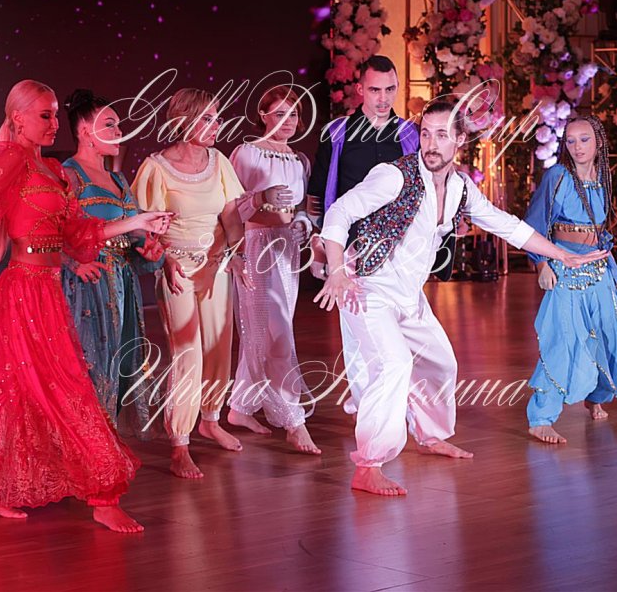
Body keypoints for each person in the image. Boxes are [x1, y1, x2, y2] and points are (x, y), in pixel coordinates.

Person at [314, 99, 608, 497]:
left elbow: (507, 225)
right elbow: (340, 211)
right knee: (394, 364)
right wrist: (335, 270)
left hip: (408, 295)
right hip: (367, 286)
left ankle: (430, 434)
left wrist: (562, 255)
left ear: (460, 140)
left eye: (441, 135)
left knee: (440, 363)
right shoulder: (393, 176)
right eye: (425, 134)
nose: (431, 144)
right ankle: (369, 464)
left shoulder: (459, 188)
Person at [0, 79, 171, 532]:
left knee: (26, 389)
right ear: (18, 118)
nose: (52, 124)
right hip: (21, 291)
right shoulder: (11, 160)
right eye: (44, 116)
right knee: (32, 389)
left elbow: (80, 234)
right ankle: (101, 496)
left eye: (53, 115)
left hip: (46, 289)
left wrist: (138, 221)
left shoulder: (52, 170)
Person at [131, 87, 292, 479]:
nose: (217, 125)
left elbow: (231, 215)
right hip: (178, 269)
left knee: (219, 346)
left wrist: (235, 255)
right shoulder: (156, 168)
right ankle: (180, 442)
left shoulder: (218, 161)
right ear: (183, 120)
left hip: (216, 265)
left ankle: (210, 419)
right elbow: (143, 227)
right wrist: (165, 259)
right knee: (188, 352)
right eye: (207, 118)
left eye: (217, 117)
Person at [60, 89, 167, 438]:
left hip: (121, 283)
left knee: (121, 362)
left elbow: (135, 237)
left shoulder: (119, 180)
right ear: (85, 132)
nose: (120, 131)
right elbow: (55, 233)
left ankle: (106, 443)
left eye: (119, 125)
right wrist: (74, 264)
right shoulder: (69, 175)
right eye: (110, 124)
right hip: (89, 286)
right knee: (91, 362)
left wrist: (149, 249)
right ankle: (87, 444)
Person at [523, 116, 617, 444]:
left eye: (584, 139)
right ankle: (541, 418)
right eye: (570, 141)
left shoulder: (603, 177)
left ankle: (596, 395)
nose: (577, 147)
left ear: (598, 141)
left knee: (611, 332)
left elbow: (598, 226)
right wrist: (541, 264)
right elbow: (534, 222)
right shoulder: (558, 176)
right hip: (565, 266)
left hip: (598, 267)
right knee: (564, 340)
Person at [225, 85, 321, 455]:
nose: (287, 121)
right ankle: (294, 422)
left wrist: (303, 225)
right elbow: (231, 207)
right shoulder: (247, 153)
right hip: (257, 248)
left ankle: (240, 407)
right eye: (279, 113)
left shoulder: (300, 160)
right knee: (276, 333)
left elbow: (303, 209)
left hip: (287, 252)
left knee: (262, 334)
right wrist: (260, 200)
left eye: (293, 114)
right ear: (263, 116)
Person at [305, 55, 419, 277]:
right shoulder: (336, 133)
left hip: (399, 249)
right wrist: (321, 244)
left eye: (390, 89)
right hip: (348, 249)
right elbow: (317, 193)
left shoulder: (410, 134)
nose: (383, 98)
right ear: (360, 89)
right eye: (375, 90)